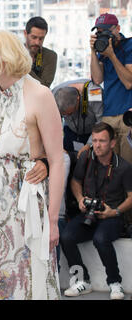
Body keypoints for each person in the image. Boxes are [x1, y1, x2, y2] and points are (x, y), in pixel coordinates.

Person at [0, 31, 64, 300]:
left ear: (9, 57)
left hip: (23, 209)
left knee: (27, 281)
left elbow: (57, 160)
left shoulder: (40, 94)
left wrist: (52, 220)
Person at [61, 122, 132, 300]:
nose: (97, 145)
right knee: (66, 236)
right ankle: (82, 280)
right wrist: (79, 199)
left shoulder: (123, 167)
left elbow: (131, 196)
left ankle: (115, 283)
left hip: (112, 217)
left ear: (113, 143)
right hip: (88, 213)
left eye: (102, 141)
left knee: (101, 239)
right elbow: (75, 182)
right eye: (94, 140)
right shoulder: (86, 157)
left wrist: (114, 212)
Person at [90, 13, 132, 164]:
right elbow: (97, 79)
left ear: (117, 29)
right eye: (100, 32)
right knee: (109, 166)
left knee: (127, 166)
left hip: (128, 114)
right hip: (109, 115)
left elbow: (129, 82)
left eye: (107, 31)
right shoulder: (103, 50)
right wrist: (93, 52)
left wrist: (112, 56)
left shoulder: (129, 45)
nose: (104, 36)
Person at [52, 79, 103, 154]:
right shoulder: (53, 94)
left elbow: (101, 121)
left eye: (70, 113)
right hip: (70, 131)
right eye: (64, 114)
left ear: (78, 99)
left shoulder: (94, 92)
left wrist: (89, 144)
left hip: (92, 133)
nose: (67, 116)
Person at [24, 16, 57, 88]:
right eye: (34, 37)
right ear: (25, 33)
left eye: (41, 39)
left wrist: (22, 65)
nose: (37, 42)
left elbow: (44, 87)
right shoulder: (14, 54)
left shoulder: (50, 56)